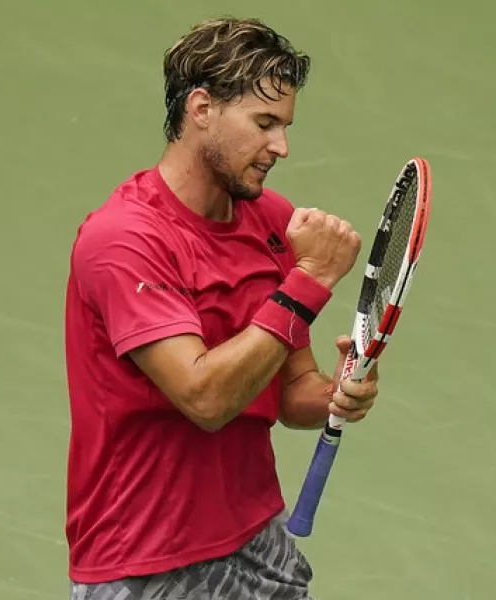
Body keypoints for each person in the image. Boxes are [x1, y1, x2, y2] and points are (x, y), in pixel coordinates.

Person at [63, 16, 380, 600]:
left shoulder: (269, 221)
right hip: (144, 563)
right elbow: (205, 398)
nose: (281, 147)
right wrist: (308, 280)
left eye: (284, 126)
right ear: (201, 108)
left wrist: (335, 392)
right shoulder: (125, 239)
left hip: (257, 542)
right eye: (264, 124)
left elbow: (290, 391)